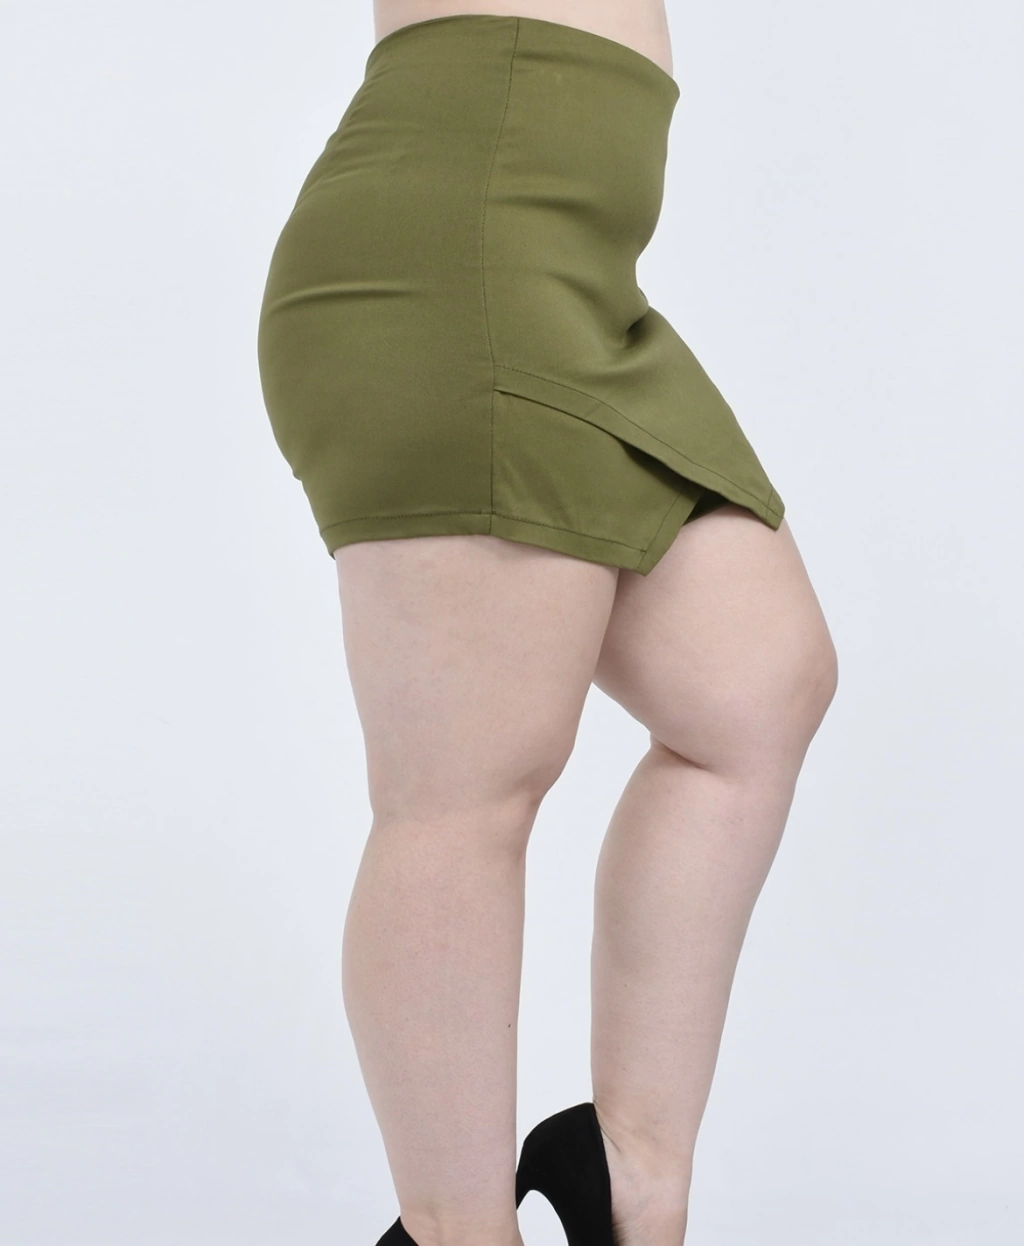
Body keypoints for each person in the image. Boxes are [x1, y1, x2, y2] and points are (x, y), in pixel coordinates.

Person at [256, 3, 839, 1244]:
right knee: (464, 788)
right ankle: (455, 1228)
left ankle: (626, 1178)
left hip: (573, 269)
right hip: (460, 247)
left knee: (755, 686)